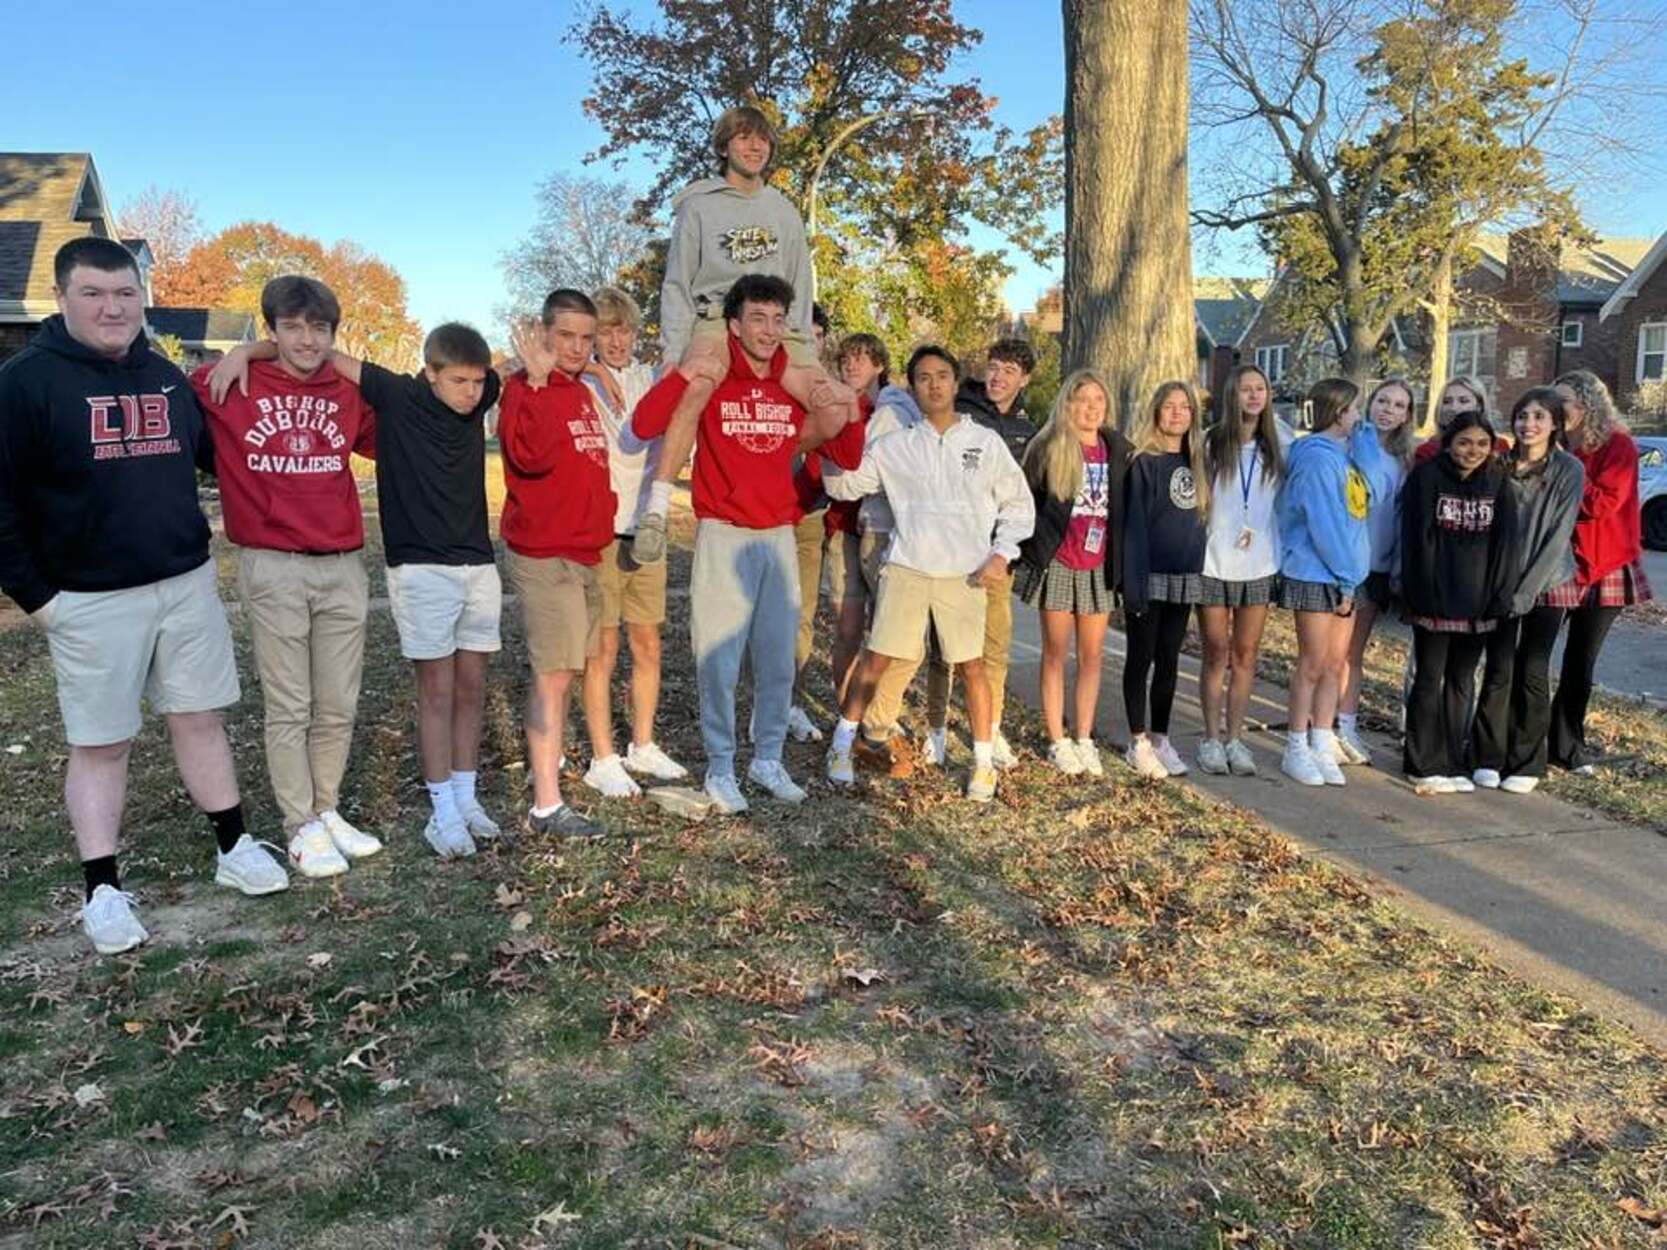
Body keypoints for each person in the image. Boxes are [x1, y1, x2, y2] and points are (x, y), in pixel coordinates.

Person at [1, 238, 286, 955]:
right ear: (63, 297)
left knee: (200, 718)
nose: (112, 307)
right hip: (90, 598)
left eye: (125, 293)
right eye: (94, 293)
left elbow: (222, 456)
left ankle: (234, 845)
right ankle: (101, 887)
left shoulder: (163, 377)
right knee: (103, 744)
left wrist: (248, 356)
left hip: (184, 583)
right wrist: (41, 599)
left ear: (141, 298)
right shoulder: (25, 384)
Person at [215, 320, 507, 857]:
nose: (471, 393)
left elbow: (505, 374)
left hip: (478, 567)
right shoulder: (398, 394)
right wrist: (245, 349)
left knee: (472, 687)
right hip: (420, 570)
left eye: (477, 382)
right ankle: (440, 809)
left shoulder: (483, 392)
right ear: (429, 374)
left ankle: (467, 797)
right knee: (437, 691)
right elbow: (320, 351)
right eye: (458, 381)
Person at [629, 274, 864, 813]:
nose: (768, 330)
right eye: (757, 319)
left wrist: (842, 401)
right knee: (719, 660)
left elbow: (846, 452)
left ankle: (767, 758)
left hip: (778, 533)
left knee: (779, 659)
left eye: (778, 319)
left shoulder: (793, 380)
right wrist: (687, 371)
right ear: (734, 325)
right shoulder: (715, 373)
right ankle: (719, 767)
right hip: (725, 532)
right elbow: (648, 424)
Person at [191, 275, 382, 878]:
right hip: (273, 563)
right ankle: (298, 824)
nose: (306, 340)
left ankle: (326, 809)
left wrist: (329, 356)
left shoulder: (345, 387)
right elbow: (183, 384)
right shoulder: (232, 379)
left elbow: (399, 416)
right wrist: (247, 352)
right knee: (289, 703)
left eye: (319, 328)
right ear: (271, 329)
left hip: (342, 562)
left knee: (338, 701)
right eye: (291, 328)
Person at [631, 107, 853, 565]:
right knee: (698, 383)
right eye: (744, 139)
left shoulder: (783, 211)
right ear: (725, 146)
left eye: (763, 140)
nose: (755, 147)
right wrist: (677, 351)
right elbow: (676, 283)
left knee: (833, 408)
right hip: (717, 316)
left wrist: (805, 353)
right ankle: (655, 507)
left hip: (778, 324)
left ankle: (759, 468)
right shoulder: (698, 206)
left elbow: (802, 284)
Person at [824, 346, 1035, 802]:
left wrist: (1001, 554)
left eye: (942, 376)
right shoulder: (895, 446)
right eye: (923, 377)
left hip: (965, 574)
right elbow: (844, 483)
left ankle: (981, 764)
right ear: (912, 386)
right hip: (907, 568)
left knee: (972, 667)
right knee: (877, 658)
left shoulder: (985, 443)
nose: (934, 384)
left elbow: (1019, 506)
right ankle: (842, 744)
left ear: (956, 383)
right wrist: (827, 439)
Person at [496, 291, 621, 840]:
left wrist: (586, 371)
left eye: (585, 338)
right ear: (542, 333)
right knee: (552, 676)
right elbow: (529, 457)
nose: (575, 347)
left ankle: (552, 768)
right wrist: (539, 383)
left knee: (571, 668)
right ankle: (547, 805)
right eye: (564, 336)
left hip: (586, 551)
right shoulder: (526, 389)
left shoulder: (577, 389)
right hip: (547, 555)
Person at [579, 287, 688, 791]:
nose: (616, 340)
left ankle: (642, 745)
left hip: (645, 526)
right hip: (600, 528)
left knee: (646, 640)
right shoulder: (581, 381)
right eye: (605, 330)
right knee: (601, 647)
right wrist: (595, 371)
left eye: (623, 329)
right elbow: (528, 366)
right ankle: (603, 757)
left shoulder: (651, 378)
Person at [920, 338, 1039, 767]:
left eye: (1009, 370)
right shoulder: (961, 412)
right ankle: (935, 728)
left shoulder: (1027, 428)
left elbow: (1026, 497)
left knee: (993, 648)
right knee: (944, 647)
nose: (998, 376)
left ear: (1024, 379)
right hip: (950, 551)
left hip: (997, 557)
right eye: (993, 366)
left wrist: (1016, 550)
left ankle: (988, 730)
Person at [1012, 368, 1129, 775]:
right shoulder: (1048, 446)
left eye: (1099, 400)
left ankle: (1083, 736)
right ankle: (1057, 740)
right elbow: (1023, 504)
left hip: (1098, 566)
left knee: (1093, 655)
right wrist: (1026, 552)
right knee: (1055, 654)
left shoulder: (1117, 450)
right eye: (1083, 400)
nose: (1091, 408)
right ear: (1068, 404)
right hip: (1060, 561)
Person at [1398, 410, 1519, 795]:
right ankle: (1422, 762)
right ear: (1449, 442)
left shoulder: (1498, 481)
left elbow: (1506, 543)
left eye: (1482, 443)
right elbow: (1417, 541)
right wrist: (1423, 593)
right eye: (1464, 442)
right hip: (1435, 600)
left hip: (1479, 603)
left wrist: (1499, 595)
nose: (1473, 451)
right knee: (1429, 679)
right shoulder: (1427, 477)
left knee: (1462, 680)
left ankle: (1452, 760)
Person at [1469, 388, 1583, 793]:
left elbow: (1558, 535)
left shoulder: (1569, 470)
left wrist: (1526, 592)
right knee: (1499, 669)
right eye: (1522, 416)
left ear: (1555, 423)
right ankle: (1487, 755)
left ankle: (1527, 762)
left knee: (1532, 670)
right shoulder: (1498, 464)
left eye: (1539, 416)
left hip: (1549, 583)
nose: (1528, 424)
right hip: (1501, 581)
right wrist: (1500, 585)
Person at [1546, 368, 1653, 775]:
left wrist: (1559, 472)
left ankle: (1566, 747)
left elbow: (1601, 505)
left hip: (1604, 563)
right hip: (1556, 562)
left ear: (1588, 404)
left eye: (1564, 403)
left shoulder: (1617, 446)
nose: (1556, 411)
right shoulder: (1551, 443)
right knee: (1532, 656)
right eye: (1552, 403)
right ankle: (1521, 738)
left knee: (1580, 660)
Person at [1276, 378, 1372, 788]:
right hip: (1317, 573)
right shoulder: (1316, 458)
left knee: (1336, 664)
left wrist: (1365, 447)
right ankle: (1295, 744)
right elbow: (1325, 524)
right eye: (1354, 411)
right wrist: (1346, 577)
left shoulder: (1345, 455)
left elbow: (1369, 502)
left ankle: (1321, 738)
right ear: (1338, 412)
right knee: (1312, 664)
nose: (1359, 417)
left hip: (1345, 575)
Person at [1195, 364, 1288, 777]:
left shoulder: (1279, 443)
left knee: (1246, 655)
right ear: (1232, 396)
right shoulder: (1211, 443)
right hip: (1214, 562)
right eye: (1245, 389)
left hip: (1259, 564)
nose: (1253, 396)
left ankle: (1236, 738)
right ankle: (1211, 738)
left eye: (1260, 389)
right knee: (1216, 652)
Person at [1121, 380, 1211, 780]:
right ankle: (1137, 740)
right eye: (1169, 406)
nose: (1177, 413)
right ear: (1157, 412)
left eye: (1184, 407)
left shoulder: (1197, 462)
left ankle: (1161, 737)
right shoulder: (1144, 461)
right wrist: (1134, 583)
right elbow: (1135, 527)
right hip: (1149, 575)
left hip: (1184, 575)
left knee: (1170, 660)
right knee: (1141, 658)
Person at [1335, 377, 1416, 764]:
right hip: (1339, 562)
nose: (1389, 410)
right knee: (1326, 652)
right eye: (1383, 400)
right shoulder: (1350, 446)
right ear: (1370, 403)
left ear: (1407, 416)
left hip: (1376, 567)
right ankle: (1319, 726)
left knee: (1353, 652)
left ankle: (1346, 726)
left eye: (1399, 405)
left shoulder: (1404, 461)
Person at [1414, 376, 1510, 463]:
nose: (1454, 407)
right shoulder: (1427, 451)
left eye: (1463, 401)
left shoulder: (1499, 446)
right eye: (1447, 401)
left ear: (1479, 406)